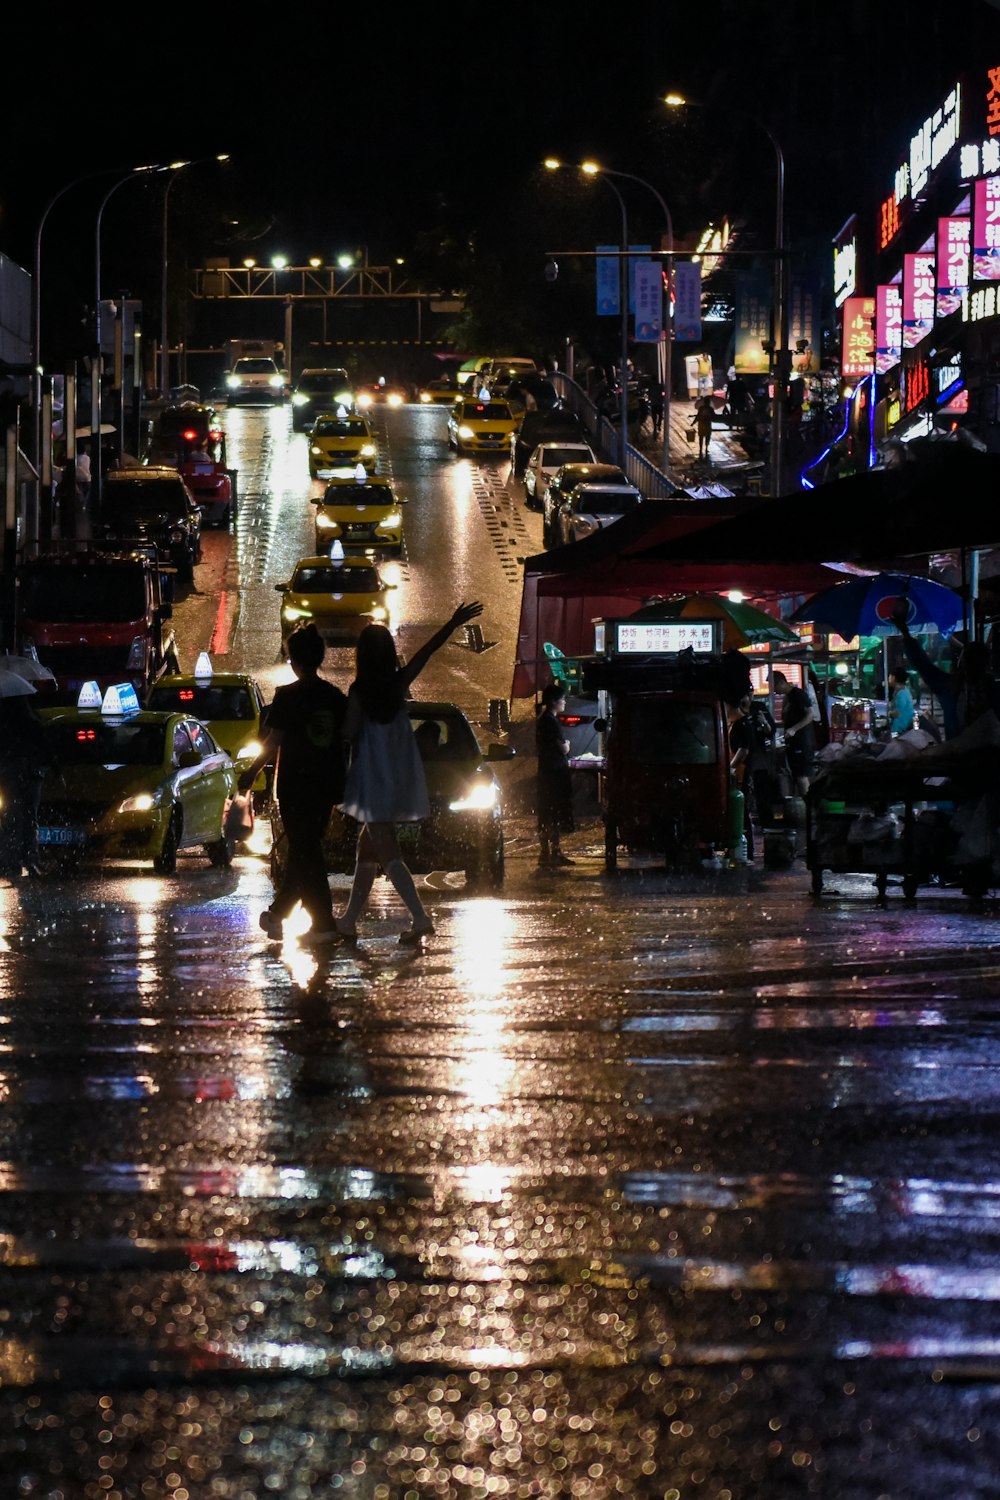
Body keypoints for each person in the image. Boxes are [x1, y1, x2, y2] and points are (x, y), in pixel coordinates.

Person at [336, 601, 484, 943]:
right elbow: (427, 651)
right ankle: (348, 919)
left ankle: (420, 918)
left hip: (372, 781)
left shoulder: (360, 692)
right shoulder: (399, 684)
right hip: (397, 778)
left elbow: (347, 732)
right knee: (367, 850)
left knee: (388, 853)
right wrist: (451, 622)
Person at [238, 622, 348, 944]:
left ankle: (319, 922)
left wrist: (254, 771)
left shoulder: (287, 697)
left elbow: (274, 741)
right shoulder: (334, 697)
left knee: (305, 850)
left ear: (294, 661)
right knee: (306, 849)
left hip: (295, 785)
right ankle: (283, 915)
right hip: (325, 785)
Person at [0, 691, 50, 880]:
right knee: (29, 817)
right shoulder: (30, 721)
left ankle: (11, 860)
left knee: (11, 818)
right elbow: (45, 748)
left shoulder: (5, 723)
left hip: (9, 776)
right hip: (29, 775)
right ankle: (29, 859)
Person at [729, 693, 778, 856]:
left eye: (750, 694)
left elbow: (770, 732)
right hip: (746, 765)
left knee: (761, 802)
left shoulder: (757, 710)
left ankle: (769, 841)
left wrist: (764, 723)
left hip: (757, 761)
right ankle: (746, 850)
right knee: (745, 808)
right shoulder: (736, 718)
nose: (749, 697)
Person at [535, 681, 574, 869]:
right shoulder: (551, 721)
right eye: (562, 699)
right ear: (554, 701)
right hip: (554, 773)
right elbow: (563, 747)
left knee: (546, 813)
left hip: (546, 772)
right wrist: (567, 746)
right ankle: (554, 852)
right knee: (554, 813)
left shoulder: (544, 720)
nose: (564, 702)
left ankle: (546, 853)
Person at [771, 670, 816, 797]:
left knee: (802, 776)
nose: (773, 690)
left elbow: (810, 714)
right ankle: (801, 805)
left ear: (781, 682)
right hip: (793, 743)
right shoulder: (788, 697)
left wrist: (794, 729)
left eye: (774, 686)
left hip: (802, 743)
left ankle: (808, 805)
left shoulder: (798, 695)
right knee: (796, 775)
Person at [888, 666, 915, 736]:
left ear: (893, 678)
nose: (888, 678)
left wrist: (886, 714)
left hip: (900, 729)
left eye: (890, 676)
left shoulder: (902, 694)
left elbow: (897, 713)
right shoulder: (900, 691)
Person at [694, 394, 715, 459]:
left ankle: (701, 448)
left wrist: (693, 423)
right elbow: (714, 416)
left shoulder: (701, 408)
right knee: (707, 436)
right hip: (707, 424)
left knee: (701, 436)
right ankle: (706, 448)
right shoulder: (711, 409)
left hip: (701, 424)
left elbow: (698, 416)